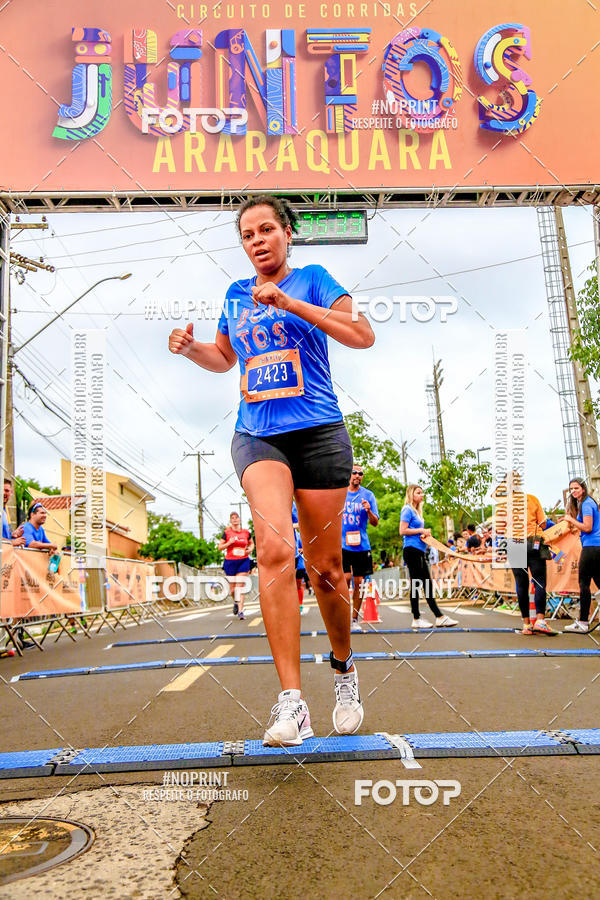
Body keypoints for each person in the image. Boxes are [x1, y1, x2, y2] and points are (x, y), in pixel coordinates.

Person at [168, 195, 374, 746]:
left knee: (328, 568)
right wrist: (192, 351)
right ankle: (292, 702)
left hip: (319, 433)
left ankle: (344, 669)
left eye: (266, 230)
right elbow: (225, 357)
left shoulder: (313, 278)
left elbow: (361, 333)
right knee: (276, 551)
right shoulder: (236, 295)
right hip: (257, 434)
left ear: (287, 233)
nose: (257, 241)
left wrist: (289, 302)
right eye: (246, 235)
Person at [497, 486, 557, 636]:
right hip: (532, 542)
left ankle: (526, 624)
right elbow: (543, 524)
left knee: (521, 584)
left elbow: (499, 530)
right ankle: (540, 621)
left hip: (514, 544)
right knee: (539, 581)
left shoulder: (503, 505)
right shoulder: (532, 499)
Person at [399, 485, 457, 628]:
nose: (422, 495)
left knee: (423, 584)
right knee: (420, 584)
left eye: (422, 492)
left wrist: (425, 536)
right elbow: (402, 530)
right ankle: (425, 617)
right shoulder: (407, 510)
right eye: (418, 493)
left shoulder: (417, 512)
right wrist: (421, 530)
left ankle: (433, 617)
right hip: (411, 551)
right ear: (411, 494)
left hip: (419, 551)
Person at [341, 465, 379, 632]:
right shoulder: (340, 493)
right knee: (345, 580)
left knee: (360, 583)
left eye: (360, 473)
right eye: (354, 472)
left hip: (361, 546)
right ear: (348, 474)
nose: (357, 475)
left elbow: (375, 522)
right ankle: (342, 618)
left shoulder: (368, 495)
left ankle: (354, 618)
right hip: (342, 544)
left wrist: (369, 510)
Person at [562, 478, 600, 633]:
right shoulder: (586, 503)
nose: (573, 491)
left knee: (583, 583)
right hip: (593, 546)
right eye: (571, 489)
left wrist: (571, 519)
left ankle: (583, 621)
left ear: (583, 489)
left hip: (592, 547)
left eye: (576, 488)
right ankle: (584, 620)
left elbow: (588, 527)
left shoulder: (586, 504)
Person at [217, 512, 254, 620]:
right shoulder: (227, 533)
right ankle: (236, 602)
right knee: (233, 590)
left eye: (236, 518)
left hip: (243, 561)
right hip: (230, 562)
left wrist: (250, 549)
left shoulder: (246, 532)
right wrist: (229, 543)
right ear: (230, 521)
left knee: (239, 587)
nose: (235, 520)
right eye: (232, 518)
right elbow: (220, 547)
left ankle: (241, 611)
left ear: (239, 520)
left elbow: (251, 543)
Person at [292, 501, 309, 615]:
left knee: (298, 584)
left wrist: (300, 550)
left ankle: (300, 604)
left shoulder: (298, 536)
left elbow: (305, 548)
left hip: (299, 562)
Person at [2, 478, 25, 546]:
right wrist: (12, 542)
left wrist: (12, 535)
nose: (4, 493)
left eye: (7, 491)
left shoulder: (5, 510)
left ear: (11, 492)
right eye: (1, 490)